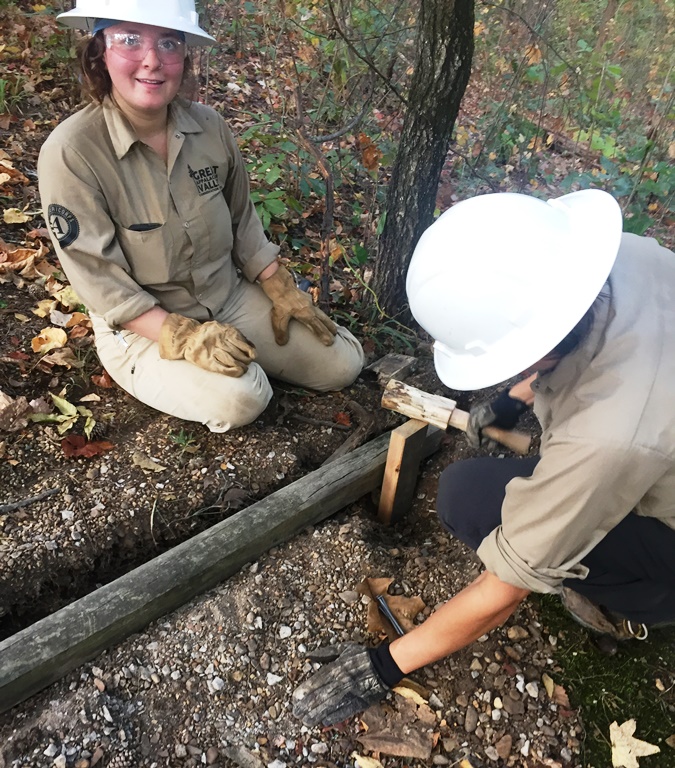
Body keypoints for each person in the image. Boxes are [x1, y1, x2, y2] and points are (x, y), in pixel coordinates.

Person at [292, 189, 675, 727]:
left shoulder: (606, 442)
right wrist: (511, 402)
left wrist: (380, 666)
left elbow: (503, 588)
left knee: (468, 498)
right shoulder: (623, 257)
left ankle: (648, 604)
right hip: (655, 441)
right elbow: (575, 340)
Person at [38, 0, 363, 432]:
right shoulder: (72, 152)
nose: (152, 60)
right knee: (244, 397)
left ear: (185, 56)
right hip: (142, 327)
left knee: (343, 365)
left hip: (225, 294)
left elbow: (242, 219)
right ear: (100, 51)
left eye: (168, 42)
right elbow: (102, 282)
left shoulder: (209, 127)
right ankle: (164, 369)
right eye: (130, 40)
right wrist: (185, 336)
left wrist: (279, 285)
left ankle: (244, 353)